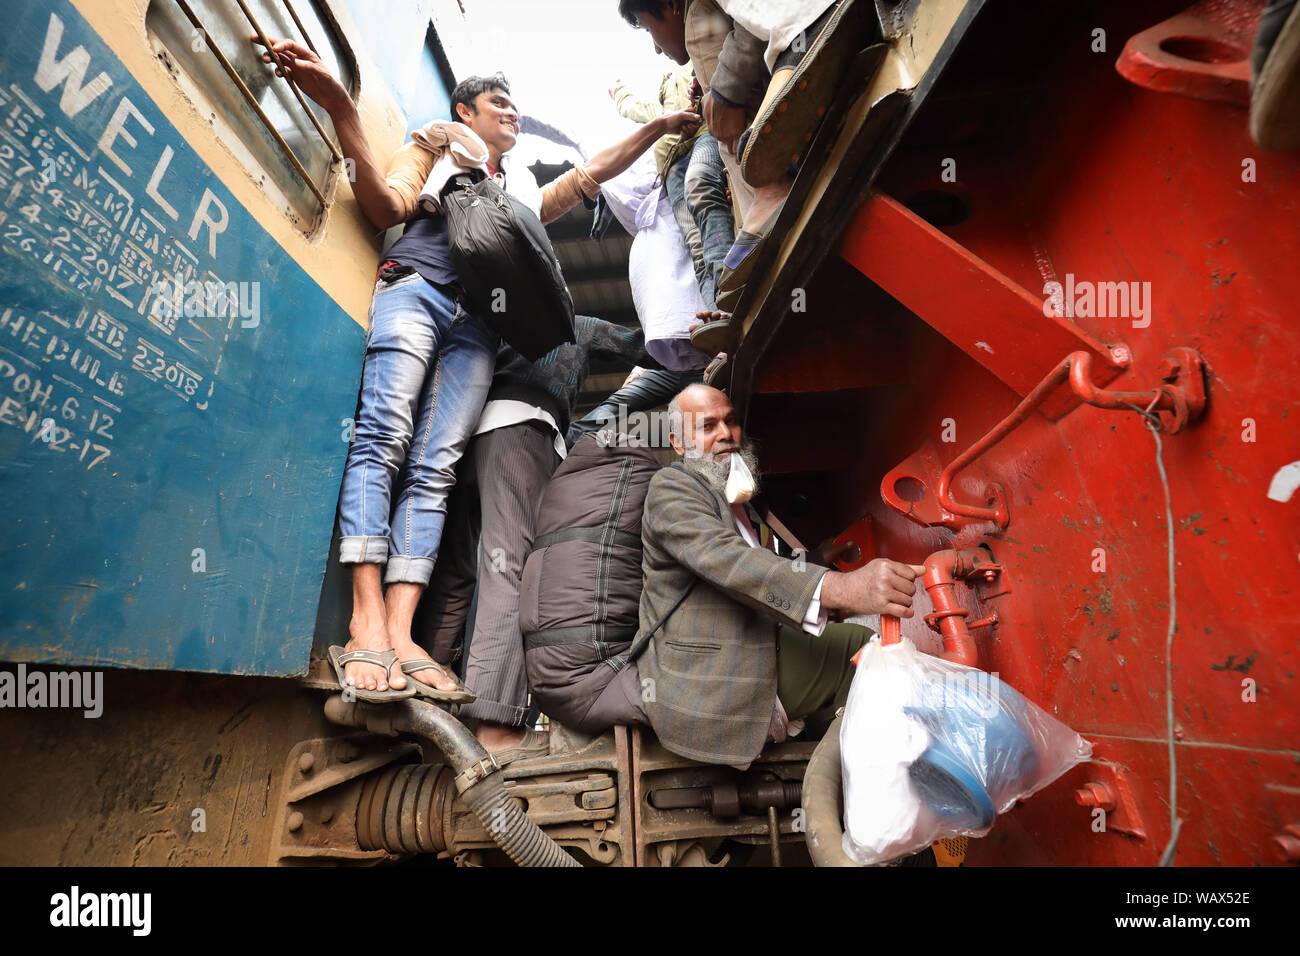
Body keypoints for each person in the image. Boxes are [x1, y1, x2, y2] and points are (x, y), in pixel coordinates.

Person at [253, 37, 699, 699]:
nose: (514, 114)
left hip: (478, 333)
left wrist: (659, 127)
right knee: (382, 442)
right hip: (418, 291)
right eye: (500, 105)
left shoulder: (517, 190)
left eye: (517, 106)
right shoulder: (437, 146)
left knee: (434, 467)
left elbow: (591, 174)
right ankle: (365, 617)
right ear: (466, 111)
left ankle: (402, 633)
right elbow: (384, 206)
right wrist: (344, 112)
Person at [550, 383, 928, 766]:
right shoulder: (672, 487)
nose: (725, 433)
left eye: (731, 422)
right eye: (707, 425)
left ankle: (835, 763)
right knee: (860, 648)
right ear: (678, 443)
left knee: (847, 657)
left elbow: (753, 563)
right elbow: (726, 560)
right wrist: (843, 587)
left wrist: (816, 558)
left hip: (744, 646)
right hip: (705, 681)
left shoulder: (730, 495)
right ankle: (866, 783)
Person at [415, 317, 659, 760]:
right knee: (511, 570)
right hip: (523, 429)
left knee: (458, 576)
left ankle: (429, 712)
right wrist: (698, 353)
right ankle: (495, 728)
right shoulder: (573, 321)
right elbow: (645, 347)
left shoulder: (492, 319)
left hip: (466, 434)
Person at [617, 0, 872, 312]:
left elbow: (757, 16)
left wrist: (724, 90)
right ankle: (762, 175)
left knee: (703, 32)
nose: (656, 49)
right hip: (800, 40)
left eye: (648, 29)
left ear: (669, 5)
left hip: (812, 26)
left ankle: (768, 182)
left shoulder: (697, 14)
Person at [610, 64, 735, 309]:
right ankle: (719, 313)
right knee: (695, 245)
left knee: (700, 184)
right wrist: (619, 94)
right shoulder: (664, 104)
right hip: (672, 165)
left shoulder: (694, 60)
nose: (659, 51)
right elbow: (637, 109)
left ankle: (729, 286)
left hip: (705, 135)